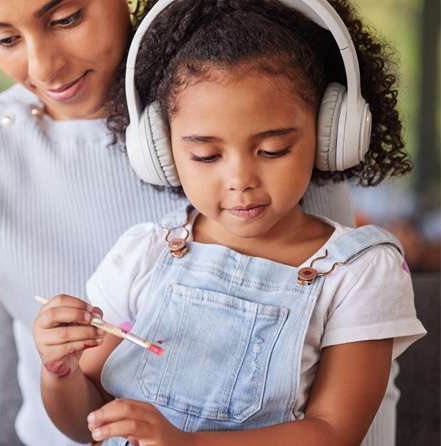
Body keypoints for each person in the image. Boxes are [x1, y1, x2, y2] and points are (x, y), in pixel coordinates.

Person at [0, 0, 365, 444]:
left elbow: (356, 371)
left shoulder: (258, 104)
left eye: (66, 18)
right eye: (3, 38)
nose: (43, 66)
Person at [32, 0, 427, 444]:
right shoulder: (144, 254)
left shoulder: (360, 272)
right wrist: (58, 373)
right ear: (161, 151)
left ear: (329, 130)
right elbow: (90, 423)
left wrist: (187, 443)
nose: (240, 180)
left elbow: (333, 432)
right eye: (206, 155)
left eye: (273, 149)